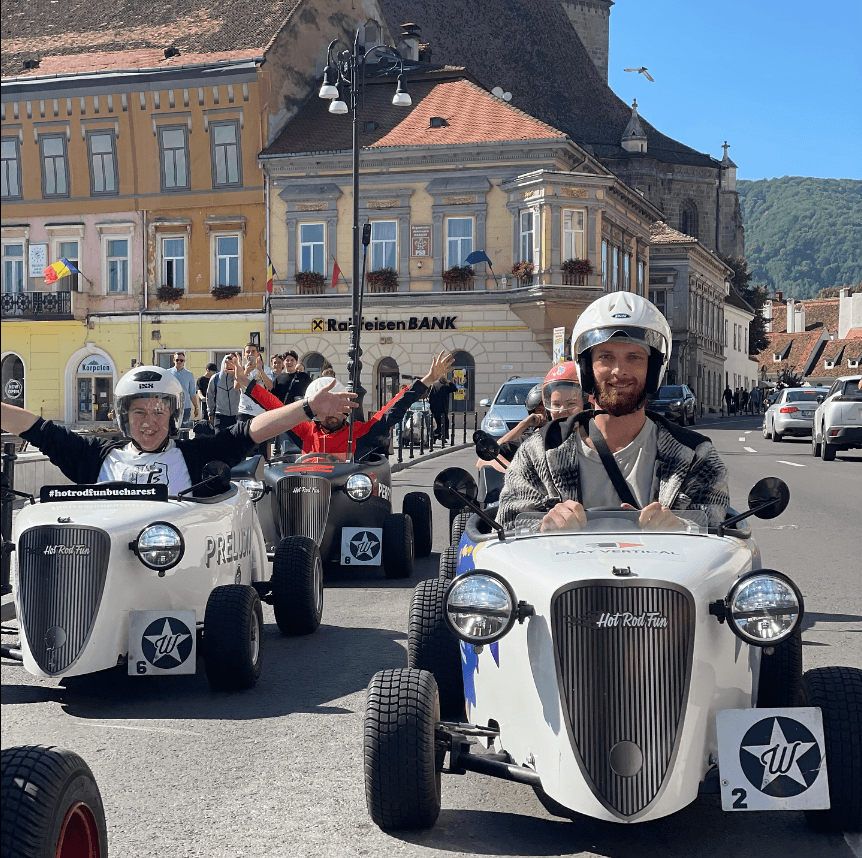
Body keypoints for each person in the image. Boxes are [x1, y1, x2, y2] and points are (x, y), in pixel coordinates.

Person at [497, 292, 729, 533]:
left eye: (634, 357)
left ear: (653, 370)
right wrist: (542, 526)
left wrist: (681, 527)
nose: (619, 370)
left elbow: (714, 526)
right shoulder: (540, 452)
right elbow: (509, 522)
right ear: (586, 368)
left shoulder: (694, 456)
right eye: (606, 357)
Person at [0, 365, 356, 494]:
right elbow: (37, 429)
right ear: (124, 418)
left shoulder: (195, 455)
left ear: (173, 416)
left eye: (158, 411)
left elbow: (251, 432)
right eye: (138, 412)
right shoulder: (96, 456)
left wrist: (308, 409)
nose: (149, 421)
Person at [235, 350, 454, 460]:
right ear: (313, 411)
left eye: (336, 407)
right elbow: (276, 408)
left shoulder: (360, 433)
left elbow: (394, 408)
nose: (331, 414)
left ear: (345, 407)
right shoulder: (305, 431)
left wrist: (426, 381)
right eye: (324, 408)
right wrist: (248, 384)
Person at [236, 343, 274, 456]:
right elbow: (236, 387)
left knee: (262, 444)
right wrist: (246, 372)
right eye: (248, 352)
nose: (250, 354)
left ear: (257, 354)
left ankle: (264, 469)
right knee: (242, 443)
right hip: (244, 411)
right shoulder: (241, 369)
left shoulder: (266, 369)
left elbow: (270, 387)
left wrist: (260, 371)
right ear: (244, 355)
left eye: (253, 351)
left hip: (261, 412)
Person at [206, 355, 242, 431]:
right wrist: (210, 413)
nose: (229, 366)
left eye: (232, 363)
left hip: (237, 415)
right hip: (220, 415)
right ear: (223, 364)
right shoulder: (215, 378)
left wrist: (238, 375)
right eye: (227, 363)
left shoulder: (239, 378)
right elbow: (210, 396)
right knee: (220, 440)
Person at [168, 352, 198, 428]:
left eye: (181, 360)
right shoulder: (168, 373)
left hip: (186, 407)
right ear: (173, 360)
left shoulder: (189, 375)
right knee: (172, 430)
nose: (179, 362)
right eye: (177, 360)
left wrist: (196, 407)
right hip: (171, 407)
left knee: (184, 430)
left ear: (184, 361)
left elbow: (192, 393)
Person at [428, 375, 457, 441]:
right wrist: (450, 382)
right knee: (444, 423)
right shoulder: (444, 386)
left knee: (436, 423)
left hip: (433, 408)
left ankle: (437, 436)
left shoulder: (433, 385)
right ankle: (440, 435)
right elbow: (454, 389)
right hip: (442, 408)